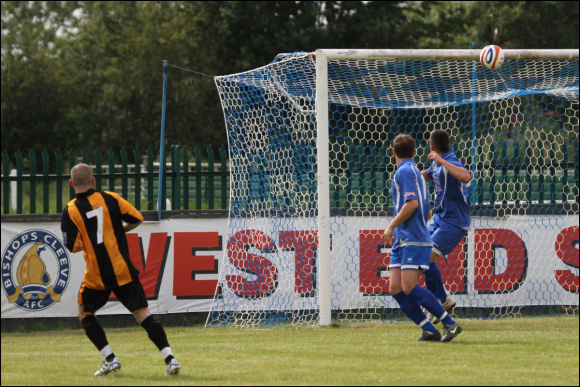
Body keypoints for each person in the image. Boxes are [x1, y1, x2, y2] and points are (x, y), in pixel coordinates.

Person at [60, 163, 181, 376]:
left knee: (85, 314)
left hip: (97, 277)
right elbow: (137, 218)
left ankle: (110, 358)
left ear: (71, 183)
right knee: (144, 315)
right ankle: (170, 358)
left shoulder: (70, 209)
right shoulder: (111, 198)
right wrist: (121, 229)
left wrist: (86, 243)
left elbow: (70, 245)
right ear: (93, 180)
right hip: (122, 270)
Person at [384, 134, 462, 342]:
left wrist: (391, 225)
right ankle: (428, 329)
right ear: (414, 152)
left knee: (409, 286)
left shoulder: (404, 172)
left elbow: (413, 204)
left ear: (393, 152)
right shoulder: (416, 172)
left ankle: (450, 324)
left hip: (413, 238)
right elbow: (426, 207)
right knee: (396, 288)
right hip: (404, 238)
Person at [421, 129, 471, 324]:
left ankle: (440, 302)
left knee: (424, 258)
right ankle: (442, 302)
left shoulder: (450, 161)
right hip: (440, 219)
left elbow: (465, 176)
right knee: (420, 255)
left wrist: (441, 161)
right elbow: (428, 174)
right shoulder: (437, 163)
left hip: (454, 223)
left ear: (432, 147)